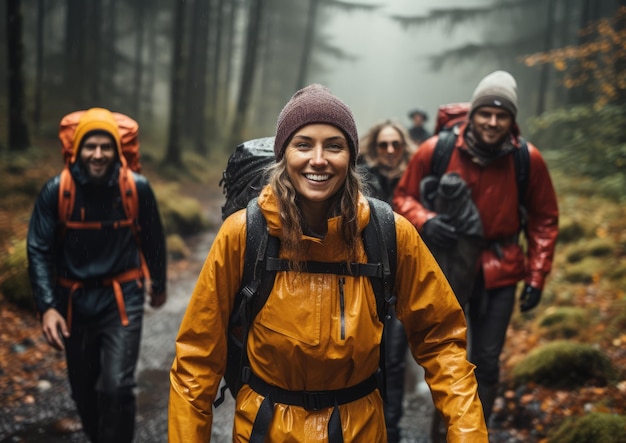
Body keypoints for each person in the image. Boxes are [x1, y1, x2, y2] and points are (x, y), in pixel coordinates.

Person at [169, 83, 488, 442]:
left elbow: (442, 341)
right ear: (283, 154)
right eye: (303, 144)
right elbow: (196, 361)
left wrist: (469, 434)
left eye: (334, 146)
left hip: (360, 431)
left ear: (350, 157)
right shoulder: (242, 234)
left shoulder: (388, 233)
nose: (318, 159)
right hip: (266, 430)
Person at [393, 70, 559, 434]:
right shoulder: (437, 149)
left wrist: (536, 276)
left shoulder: (527, 159)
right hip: (449, 266)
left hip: (502, 271)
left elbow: (544, 219)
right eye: (486, 113)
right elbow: (402, 197)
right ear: (473, 112)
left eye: (502, 116)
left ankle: (473, 433)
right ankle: (442, 431)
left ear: (512, 120)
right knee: (446, 354)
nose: (493, 122)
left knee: (486, 359)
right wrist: (426, 220)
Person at [27, 107, 167, 443]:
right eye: (91, 146)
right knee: (83, 389)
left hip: (122, 298)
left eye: (106, 146)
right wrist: (47, 305)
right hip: (73, 301)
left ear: (118, 150)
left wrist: (158, 284)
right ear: (77, 149)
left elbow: (153, 240)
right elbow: (39, 250)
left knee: (117, 386)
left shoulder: (136, 189)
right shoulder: (55, 192)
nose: (99, 154)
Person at [358, 120, 416, 443]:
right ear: (374, 147)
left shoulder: (417, 180)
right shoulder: (362, 179)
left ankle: (391, 429)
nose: (391, 151)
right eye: (384, 145)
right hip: (365, 283)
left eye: (396, 144)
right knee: (364, 357)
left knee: (393, 360)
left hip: (401, 286)